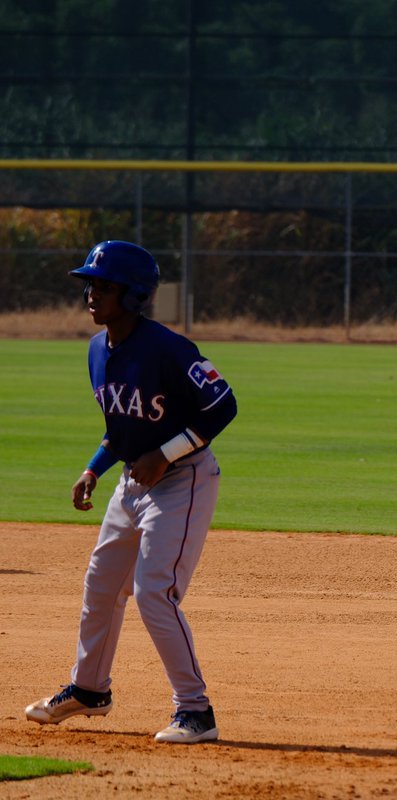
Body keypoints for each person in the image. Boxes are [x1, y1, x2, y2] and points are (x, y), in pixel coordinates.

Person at [25, 240, 237, 744]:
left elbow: (223, 405)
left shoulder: (168, 348)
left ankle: (196, 711)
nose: (92, 295)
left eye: (104, 286)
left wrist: (165, 453)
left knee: (154, 591)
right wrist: (93, 469)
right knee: (101, 585)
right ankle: (89, 689)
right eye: (89, 285)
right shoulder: (97, 350)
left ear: (134, 294)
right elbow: (120, 428)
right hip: (131, 482)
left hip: (183, 480)